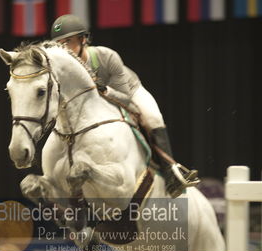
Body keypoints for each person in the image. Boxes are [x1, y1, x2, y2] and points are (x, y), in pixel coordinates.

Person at [50, 14, 199, 198]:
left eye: (69, 41)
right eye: (60, 44)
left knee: (153, 117)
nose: (65, 49)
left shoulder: (106, 56)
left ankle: (171, 172)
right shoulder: (63, 71)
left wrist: (104, 91)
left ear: (83, 39)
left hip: (129, 91)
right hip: (94, 105)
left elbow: (126, 97)